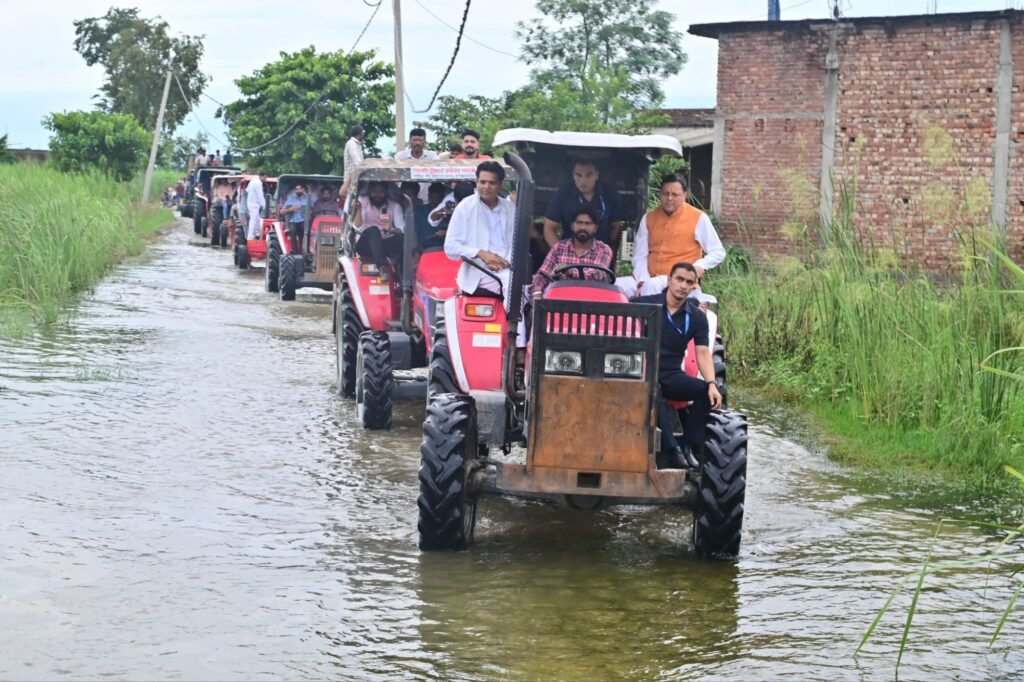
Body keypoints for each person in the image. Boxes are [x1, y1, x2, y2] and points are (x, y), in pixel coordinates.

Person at [635, 262, 722, 470]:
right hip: (643, 372)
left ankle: (688, 446)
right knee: (652, 389)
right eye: (680, 279)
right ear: (669, 280)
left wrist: (711, 383)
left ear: (694, 286)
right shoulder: (643, 305)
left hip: (671, 373)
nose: (683, 285)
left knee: (704, 392)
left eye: (689, 282)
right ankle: (672, 450)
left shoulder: (697, 316)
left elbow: (702, 352)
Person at [616, 174, 725, 298]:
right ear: (660, 194)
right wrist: (641, 282)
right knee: (616, 286)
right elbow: (640, 256)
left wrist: (699, 265)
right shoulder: (649, 218)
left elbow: (718, 252)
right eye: (665, 194)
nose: (669, 198)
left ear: (685, 195)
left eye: (675, 194)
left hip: (678, 282)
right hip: (647, 279)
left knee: (652, 286)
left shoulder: (699, 218)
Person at [444, 161, 515, 296]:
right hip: (478, 271)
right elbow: (450, 247)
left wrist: (504, 262)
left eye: (492, 183)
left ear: (500, 185)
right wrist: (480, 253)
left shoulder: (510, 208)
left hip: (507, 268)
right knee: (513, 285)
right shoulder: (465, 207)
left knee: (530, 287)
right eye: (482, 182)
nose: (486, 187)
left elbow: (515, 244)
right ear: (476, 182)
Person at [542, 159, 624, 249]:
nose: (583, 180)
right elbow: (549, 227)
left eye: (588, 175)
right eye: (578, 175)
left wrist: (608, 250)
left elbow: (615, 226)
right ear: (573, 175)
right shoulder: (562, 194)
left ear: (597, 175)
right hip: (570, 252)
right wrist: (560, 252)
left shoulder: (610, 194)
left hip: (601, 252)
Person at [352, 181, 406, 273]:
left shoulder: (395, 206)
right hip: (366, 243)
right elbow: (357, 227)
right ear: (369, 191)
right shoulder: (362, 201)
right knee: (374, 230)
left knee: (403, 238)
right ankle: (382, 267)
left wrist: (391, 229)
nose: (377, 195)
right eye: (374, 191)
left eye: (381, 192)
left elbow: (402, 229)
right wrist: (358, 209)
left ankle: (403, 273)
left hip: (384, 243)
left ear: (386, 192)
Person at [415, 182, 451, 250]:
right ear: (428, 196)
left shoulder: (448, 214)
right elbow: (414, 233)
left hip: (442, 249)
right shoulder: (418, 211)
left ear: (443, 198)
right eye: (432, 198)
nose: (434, 202)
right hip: (422, 248)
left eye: (437, 199)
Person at [281, 183, 310, 254]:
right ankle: (294, 250)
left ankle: (305, 250)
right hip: (293, 220)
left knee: (306, 231)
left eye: (299, 189)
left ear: (303, 189)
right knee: (293, 230)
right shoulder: (291, 199)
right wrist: (290, 209)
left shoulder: (308, 199)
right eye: (296, 189)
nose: (298, 191)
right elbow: (282, 211)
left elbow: (313, 209)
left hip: (304, 220)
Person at [342, 124, 365, 195]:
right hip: (351, 179)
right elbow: (357, 161)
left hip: (356, 178)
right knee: (351, 197)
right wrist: (365, 170)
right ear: (360, 133)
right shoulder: (351, 144)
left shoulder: (356, 144)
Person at [245, 171, 267, 240]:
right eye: (265, 177)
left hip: (250, 202)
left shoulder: (253, 180)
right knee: (253, 220)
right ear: (261, 176)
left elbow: (247, 190)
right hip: (254, 203)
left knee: (257, 219)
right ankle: (250, 237)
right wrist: (264, 206)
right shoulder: (258, 183)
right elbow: (260, 195)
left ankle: (256, 234)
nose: (265, 179)